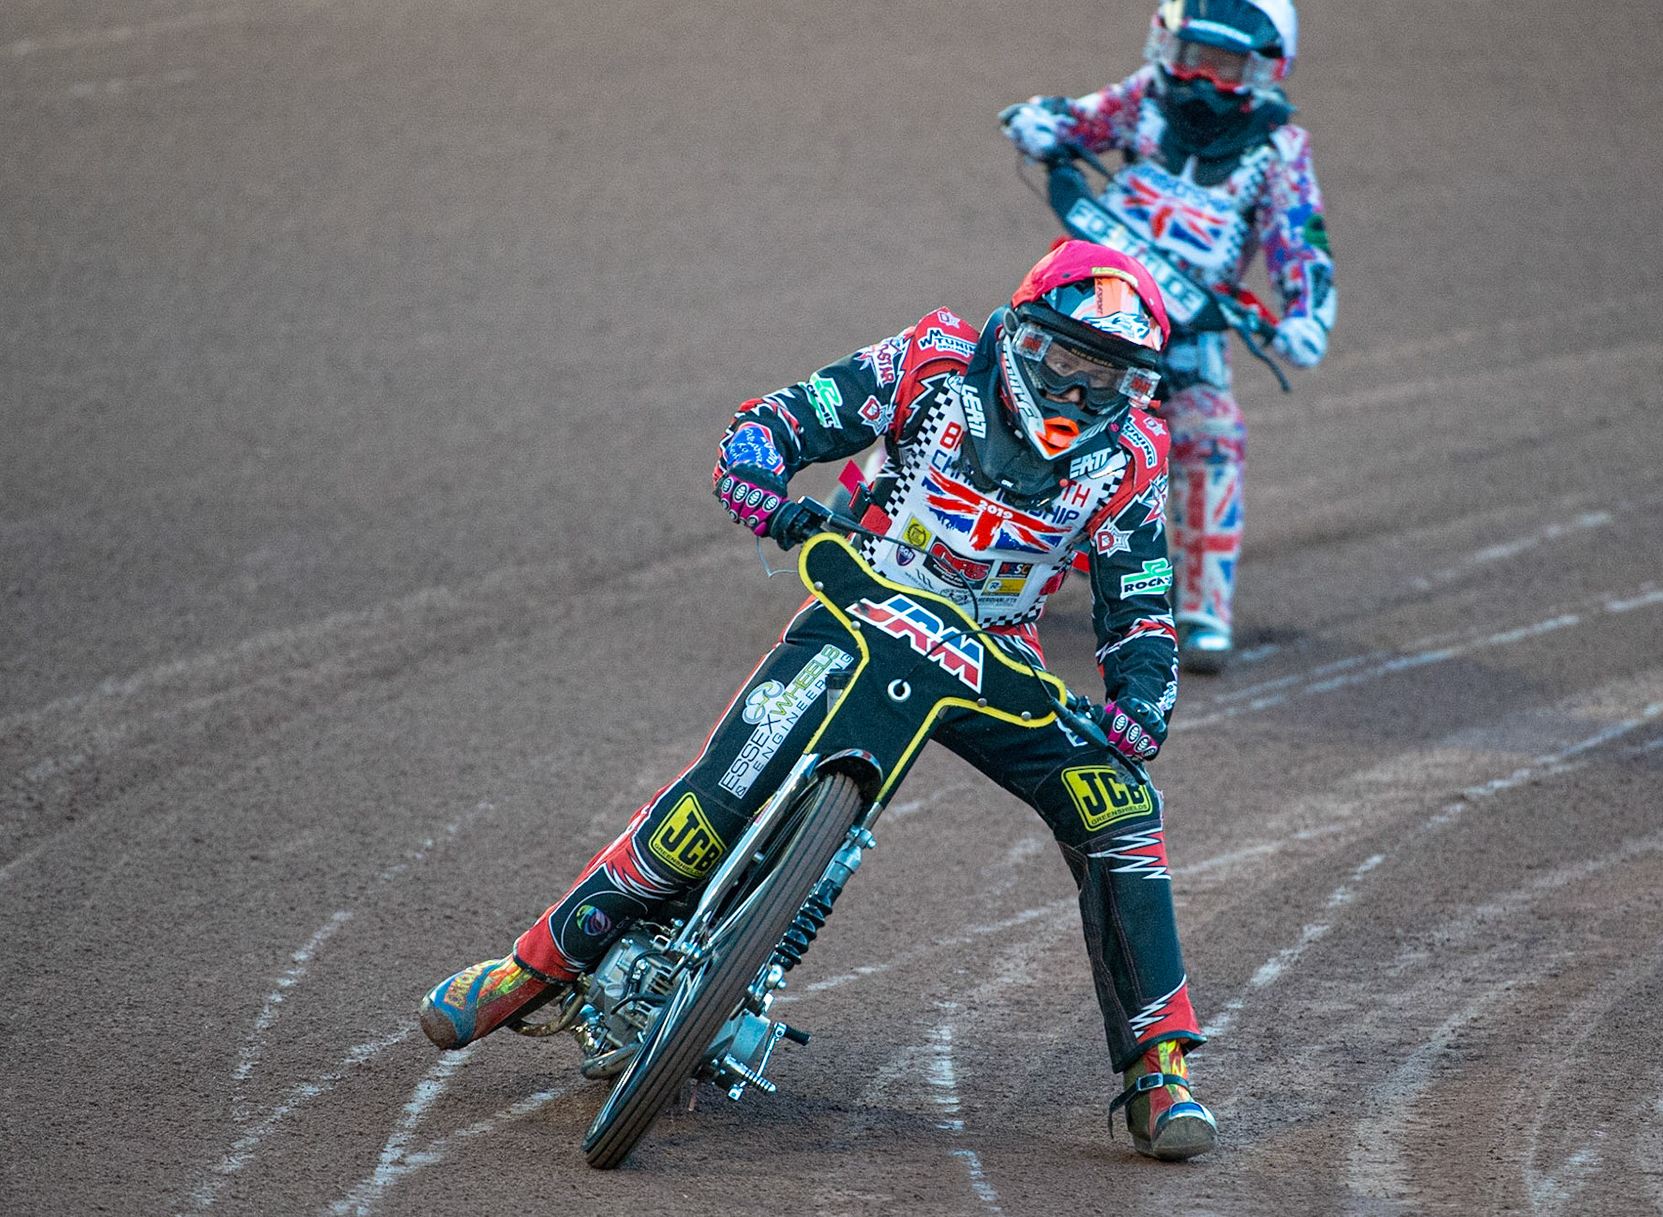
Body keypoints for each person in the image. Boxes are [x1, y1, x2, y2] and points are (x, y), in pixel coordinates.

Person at [417, 240, 1218, 1161]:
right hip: (865, 595)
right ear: (1022, 333)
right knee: (722, 793)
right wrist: (760, 485)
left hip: (997, 653)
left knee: (1120, 809)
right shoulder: (934, 363)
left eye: (1108, 374)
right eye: (1066, 357)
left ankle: (1161, 1070)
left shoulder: (1133, 456)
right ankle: (536, 964)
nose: (1080, 390)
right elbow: (779, 420)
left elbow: (1142, 596)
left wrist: (1141, 703)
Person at [1000, 0, 1338, 671]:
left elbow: (1298, 235)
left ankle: (1202, 610)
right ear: (1164, 44)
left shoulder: (1279, 150)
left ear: (1268, 69)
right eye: (1193, 57)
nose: (1204, 81)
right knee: (991, 380)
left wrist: (1308, 311)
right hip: (1086, 306)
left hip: (1188, 333)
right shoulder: (1143, 99)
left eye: (1227, 65)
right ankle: (891, 516)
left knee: (1213, 440)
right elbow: (1080, 119)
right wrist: (1041, 121)